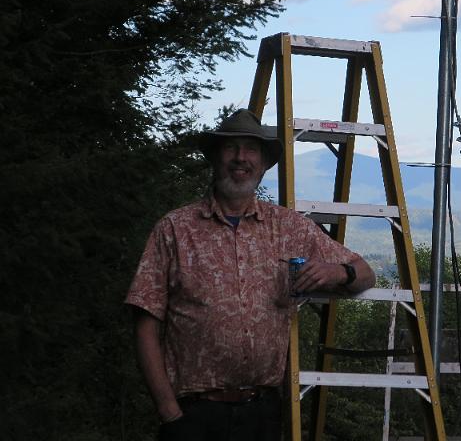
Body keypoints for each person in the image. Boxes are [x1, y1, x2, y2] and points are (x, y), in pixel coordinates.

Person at [125, 109, 376, 441]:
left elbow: (366, 274)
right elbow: (144, 324)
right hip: (193, 416)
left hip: (262, 414)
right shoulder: (174, 229)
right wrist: (170, 412)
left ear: (263, 163)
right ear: (216, 157)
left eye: (251, 149)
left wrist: (338, 271)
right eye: (232, 147)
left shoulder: (289, 227)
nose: (241, 158)